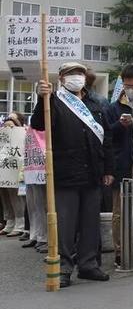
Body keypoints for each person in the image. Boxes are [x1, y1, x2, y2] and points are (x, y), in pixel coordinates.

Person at [32, 62, 115, 288]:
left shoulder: (96, 103)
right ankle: (64, 268)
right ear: (61, 77)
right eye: (70, 74)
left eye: (79, 73)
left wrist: (109, 169)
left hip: (93, 172)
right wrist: (42, 99)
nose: (76, 77)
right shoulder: (54, 101)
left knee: (90, 222)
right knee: (65, 225)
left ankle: (88, 265)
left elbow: (106, 138)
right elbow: (38, 124)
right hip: (66, 172)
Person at [106, 64, 133, 266]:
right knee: (119, 211)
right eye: (127, 86)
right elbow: (106, 135)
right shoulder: (113, 108)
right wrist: (120, 125)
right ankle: (120, 251)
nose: (131, 89)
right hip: (122, 164)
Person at [0, 113, 26, 238]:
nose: (7, 128)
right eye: (5, 126)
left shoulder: (22, 135)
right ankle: (9, 222)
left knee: (15, 196)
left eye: (11, 126)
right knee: (5, 195)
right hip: (4, 170)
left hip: (16, 170)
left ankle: (19, 224)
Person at [23, 125, 48, 253]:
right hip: (32, 168)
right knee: (34, 205)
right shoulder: (33, 123)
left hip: (42, 167)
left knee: (44, 205)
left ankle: (44, 237)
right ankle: (37, 234)